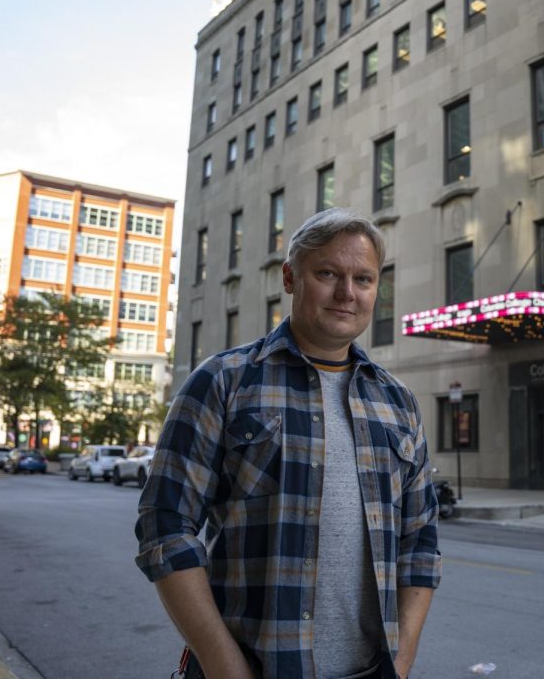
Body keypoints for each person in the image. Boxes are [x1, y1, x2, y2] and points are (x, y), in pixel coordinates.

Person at [136, 208, 440, 679]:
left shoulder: (397, 401)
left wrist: (400, 664)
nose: (347, 293)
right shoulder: (223, 381)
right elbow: (165, 528)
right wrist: (223, 666)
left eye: (363, 278)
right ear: (290, 278)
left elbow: (420, 544)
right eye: (327, 273)